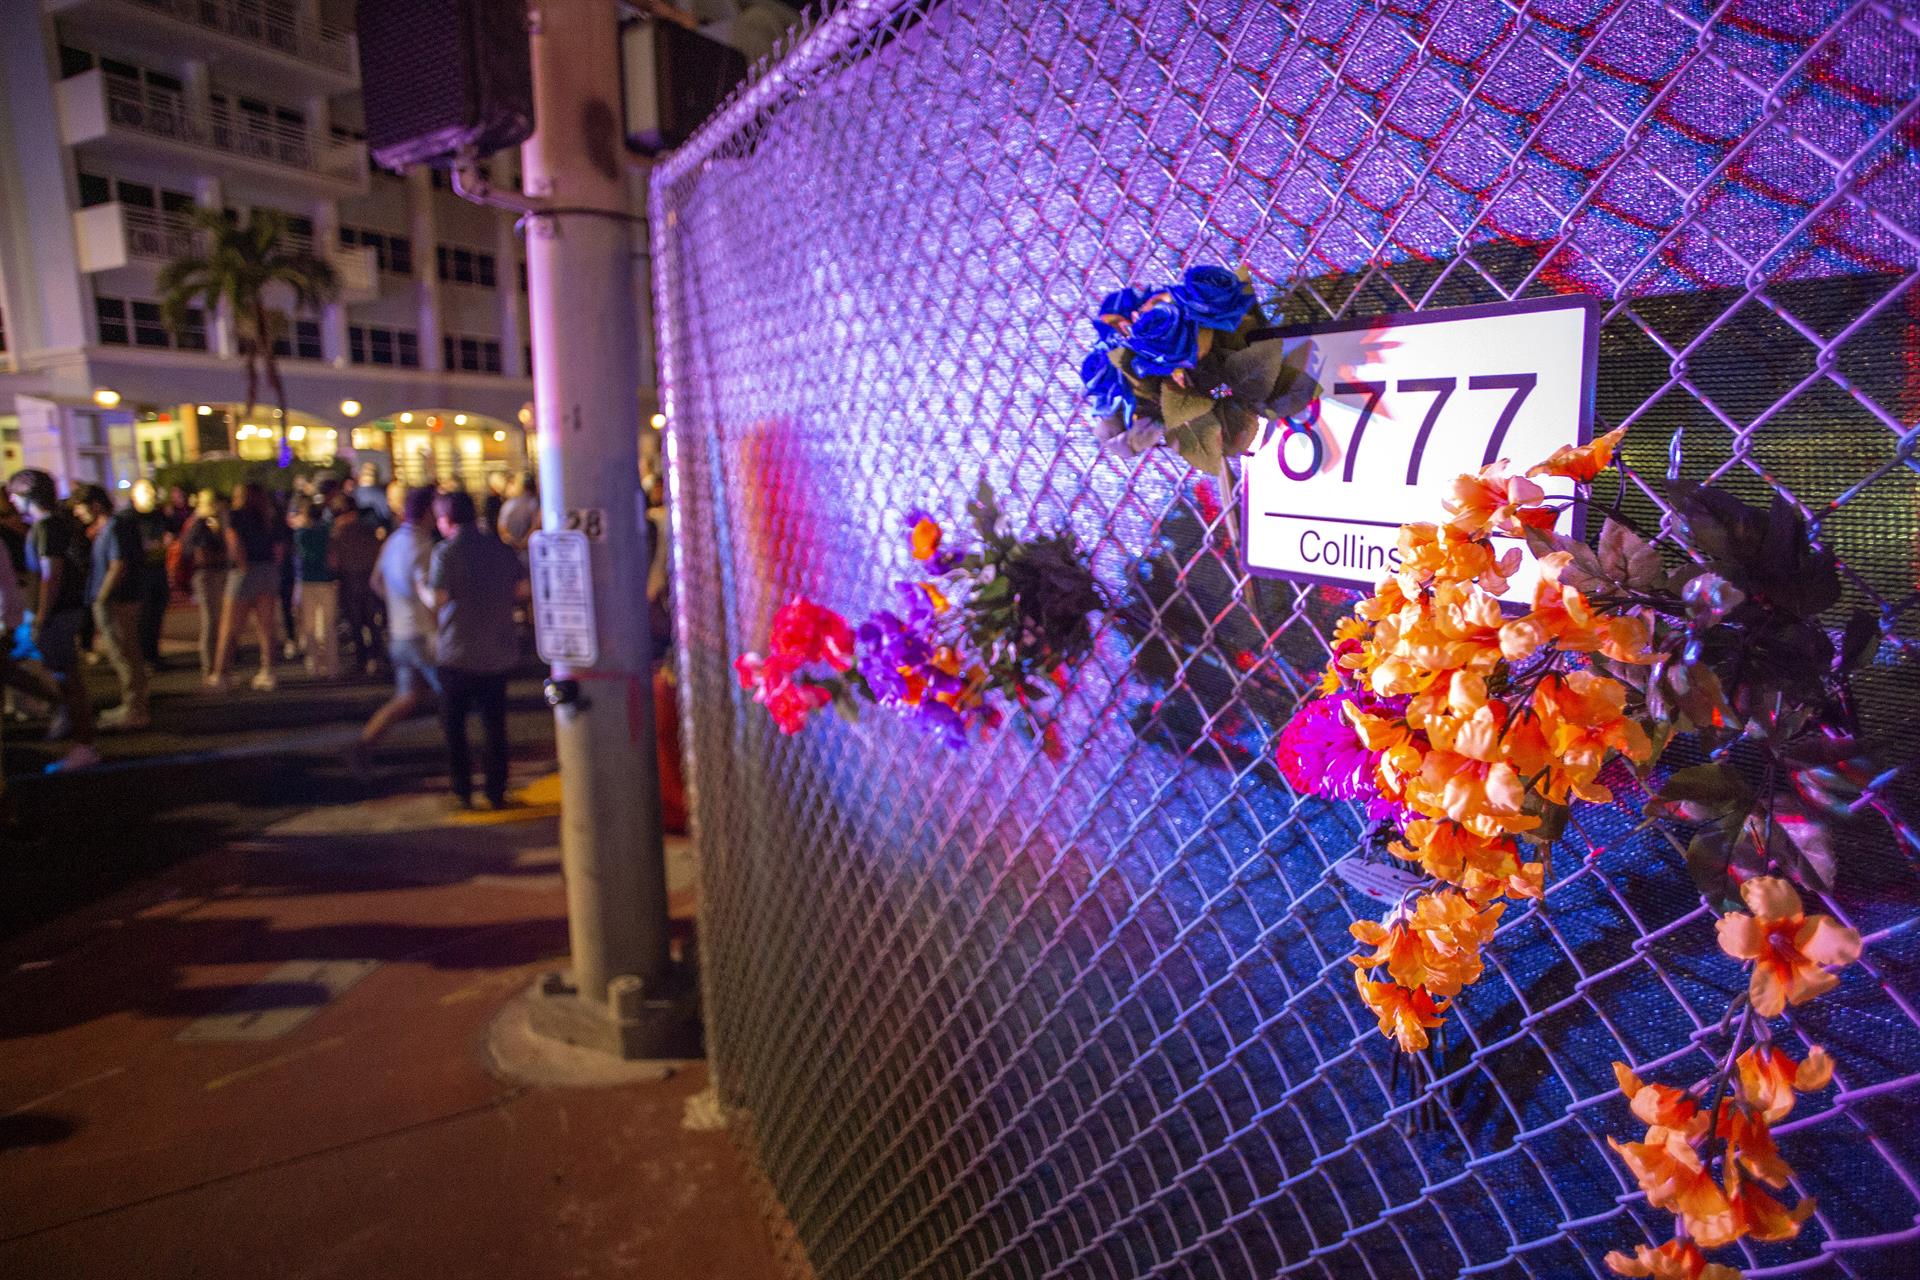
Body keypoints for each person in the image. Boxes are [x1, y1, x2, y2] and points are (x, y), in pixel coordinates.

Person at [426, 489, 526, 809]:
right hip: (496, 649)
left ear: (447, 519)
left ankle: (463, 790)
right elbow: (521, 589)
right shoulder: (500, 549)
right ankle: (496, 790)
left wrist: (421, 590)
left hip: (457, 651)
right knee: (494, 726)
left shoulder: (445, 553)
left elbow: (440, 598)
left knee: (455, 727)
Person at [5, 469, 99, 771]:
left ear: (28, 496)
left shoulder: (45, 528)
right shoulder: (55, 525)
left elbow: (51, 576)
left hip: (55, 614)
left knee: (68, 679)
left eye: (15, 495)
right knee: (52, 673)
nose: (12, 501)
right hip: (62, 612)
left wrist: (40, 617)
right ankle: (70, 723)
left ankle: (83, 744)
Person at [352, 485, 439, 775]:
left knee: (407, 697)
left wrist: (396, 602)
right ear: (428, 511)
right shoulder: (423, 546)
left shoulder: (394, 541)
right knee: (453, 695)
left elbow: (376, 580)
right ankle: (463, 757)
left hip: (399, 631)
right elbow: (428, 593)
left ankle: (365, 744)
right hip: (422, 634)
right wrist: (436, 623)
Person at [74, 486, 150, 730]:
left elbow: (118, 565)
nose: (77, 512)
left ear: (95, 504)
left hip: (117, 600)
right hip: (120, 598)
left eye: (80, 506)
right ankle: (134, 705)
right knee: (128, 653)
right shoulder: (111, 526)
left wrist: (102, 597)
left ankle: (134, 709)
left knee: (123, 654)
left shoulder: (115, 526)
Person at [210, 483, 282, 691]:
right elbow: (279, 549)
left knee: (230, 626)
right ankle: (268, 671)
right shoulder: (269, 515)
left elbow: (234, 542)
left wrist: (242, 567)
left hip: (245, 572)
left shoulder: (234, 515)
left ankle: (221, 673)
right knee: (266, 626)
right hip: (267, 570)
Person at [178, 489, 229, 678]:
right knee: (211, 622)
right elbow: (201, 555)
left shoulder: (213, 522)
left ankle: (218, 666)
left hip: (215, 573)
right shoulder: (199, 524)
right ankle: (210, 667)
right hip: (207, 576)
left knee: (219, 621)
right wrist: (226, 555)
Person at [329, 495, 382, 676]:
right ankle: (376, 656)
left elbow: (334, 561)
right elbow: (377, 552)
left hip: (349, 579)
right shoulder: (367, 529)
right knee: (371, 620)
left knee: (356, 622)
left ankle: (362, 659)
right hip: (368, 577)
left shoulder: (337, 532)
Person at [291, 497, 339, 678]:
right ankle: (332, 666)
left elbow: (302, 555)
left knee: (309, 626)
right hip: (326, 581)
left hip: (307, 581)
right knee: (328, 625)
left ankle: (314, 666)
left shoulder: (301, 534)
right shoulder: (327, 531)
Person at [128, 479, 172, 667]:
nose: (151, 496)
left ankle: (152, 654)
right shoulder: (130, 519)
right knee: (143, 617)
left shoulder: (158, 516)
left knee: (155, 614)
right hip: (141, 572)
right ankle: (143, 657)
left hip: (158, 569)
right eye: (146, 492)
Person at [497, 473, 540, 553]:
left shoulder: (508, 504)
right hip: (529, 549)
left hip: (512, 550)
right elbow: (536, 526)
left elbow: (502, 528)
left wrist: (512, 542)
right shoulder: (536, 504)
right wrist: (524, 543)